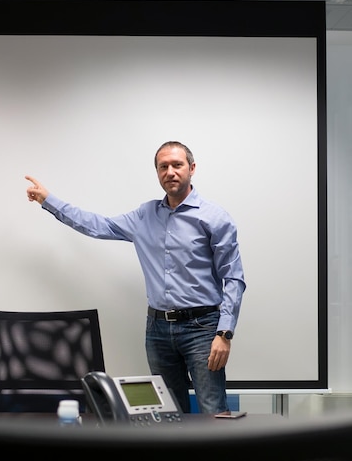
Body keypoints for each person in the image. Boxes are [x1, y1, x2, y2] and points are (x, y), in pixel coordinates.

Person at [25, 140, 245, 414]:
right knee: (168, 415)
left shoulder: (215, 218)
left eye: (177, 165)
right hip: (158, 330)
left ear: (192, 168)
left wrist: (224, 333)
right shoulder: (145, 215)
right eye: (163, 166)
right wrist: (49, 200)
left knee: (214, 412)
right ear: (157, 173)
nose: (170, 172)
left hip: (203, 329)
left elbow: (233, 278)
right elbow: (98, 225)